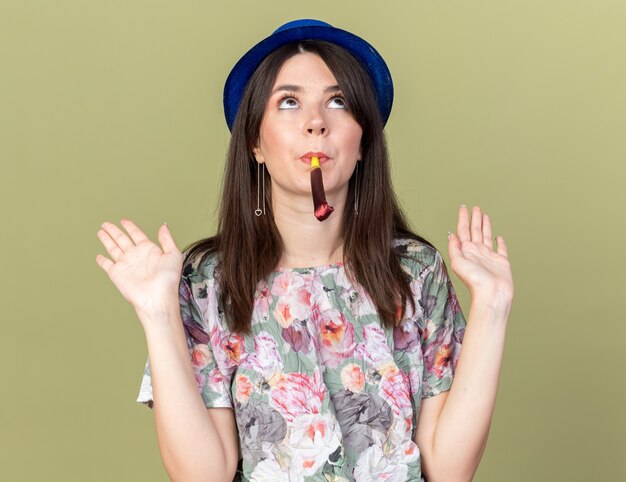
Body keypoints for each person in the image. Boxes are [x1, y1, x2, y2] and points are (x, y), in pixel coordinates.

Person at [95, 18, 514, 482]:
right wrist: (158, 313)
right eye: (289, 103)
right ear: (255, 141)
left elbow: (449, 469)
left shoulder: (415, 272)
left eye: (338, 102)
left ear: (362, 144)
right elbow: (203, 475)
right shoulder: (206, 282)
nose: (316, 123)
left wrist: (492, 307)